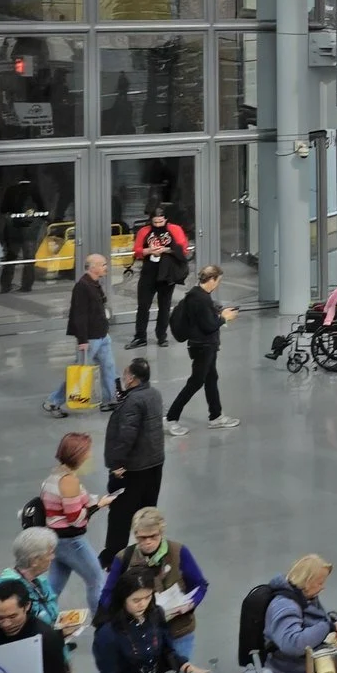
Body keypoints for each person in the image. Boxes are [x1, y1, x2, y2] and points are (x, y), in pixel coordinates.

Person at [100, 506, 208, 661]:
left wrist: (190, 603)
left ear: (161, 532)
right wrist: (127, 610)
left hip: (179, 631)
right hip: (142, 636)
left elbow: (200, 585)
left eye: (153, 536)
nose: (148, 542)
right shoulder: (123, 559)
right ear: (135, 535)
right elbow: (107, 595)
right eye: (142, 538)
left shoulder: (178, 551)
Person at [91, 566, 198, 673]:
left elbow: (167, 651)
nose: (143, 604)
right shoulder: (107, 633)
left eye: (147, 597)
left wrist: (186, 667)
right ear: (123, 599)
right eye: (136, 600)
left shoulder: (156, 614)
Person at [39, 431, 113, 608]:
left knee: (54, 587)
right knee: (96, 580)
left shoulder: (54, 476)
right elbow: (75, 519)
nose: (90, 454)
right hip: (71, 541)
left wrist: (95, 500)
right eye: (87, 451)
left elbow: (70, 504)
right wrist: (99, 505)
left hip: (55, 539)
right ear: (79, 454)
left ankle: (43, 620)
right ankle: (101, 623)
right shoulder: (69, 481)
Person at [100, 357, 165, 559]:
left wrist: (117, 464)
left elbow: (126, 436)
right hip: (154, 463)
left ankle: (114, 555)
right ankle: (150, 550)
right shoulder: (154, 394)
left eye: (126, 374)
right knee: (146, 512)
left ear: (133, 379)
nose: (123, 377)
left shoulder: (133, 402)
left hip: (133, 468)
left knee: (120, 513)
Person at [162, 264, 239, 434]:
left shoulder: (196, 294)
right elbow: (208, 326)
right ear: (211, 279)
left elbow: (204, 316)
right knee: (195, 382)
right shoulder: (201, 298)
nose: (218, 284)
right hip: (203, 346)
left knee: (211, 379)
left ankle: (216, 416)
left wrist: (219, 311)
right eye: (218, 281)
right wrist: (224, 318)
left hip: (203, 346)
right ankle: (171, 418)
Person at [45, 252, 119, 418]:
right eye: (103, 265)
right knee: (79, 372)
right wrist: (82, 339)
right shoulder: (82, 286)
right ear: (94, 267)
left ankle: (110, 399)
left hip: (102, 335)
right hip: (91, 338)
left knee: (109, 367)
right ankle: (54, 401)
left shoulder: (94, 283)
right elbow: (79, 315)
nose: (106, 267)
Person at [259, 555, 337, 673]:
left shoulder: (306, 597)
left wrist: (331, 621)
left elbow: (313, 621)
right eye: (320, 583)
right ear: (307, 581)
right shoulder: (284, 605)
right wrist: (327, 627)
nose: (323, 587)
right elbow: (293, 643)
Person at [130, 205, 189, 348]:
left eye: (160, 222)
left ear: (166, 219)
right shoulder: (144, 231)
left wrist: (166, 250)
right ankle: (140, 337)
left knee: (165, 306)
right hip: (149, 271)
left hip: (167, 271)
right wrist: (149, 250)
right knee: (143, 306)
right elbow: (137, 251)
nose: (157, 225)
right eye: (155, 222)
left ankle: (161, 336)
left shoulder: (175, 229)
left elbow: (183, 249)